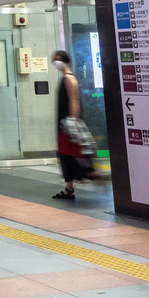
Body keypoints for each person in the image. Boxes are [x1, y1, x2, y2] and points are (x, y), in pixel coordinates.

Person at [52, 50, 95, 201]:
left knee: (71, 154)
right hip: (63, 124)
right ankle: (69, 188)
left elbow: (74, 100)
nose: (56, 63)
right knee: (66, 155)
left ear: (66, 61)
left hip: (68, 125)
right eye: (55, 60)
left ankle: (88, 174)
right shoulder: (64, 78)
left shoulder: (70, 79)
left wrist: (73, 121)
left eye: (59, 60)